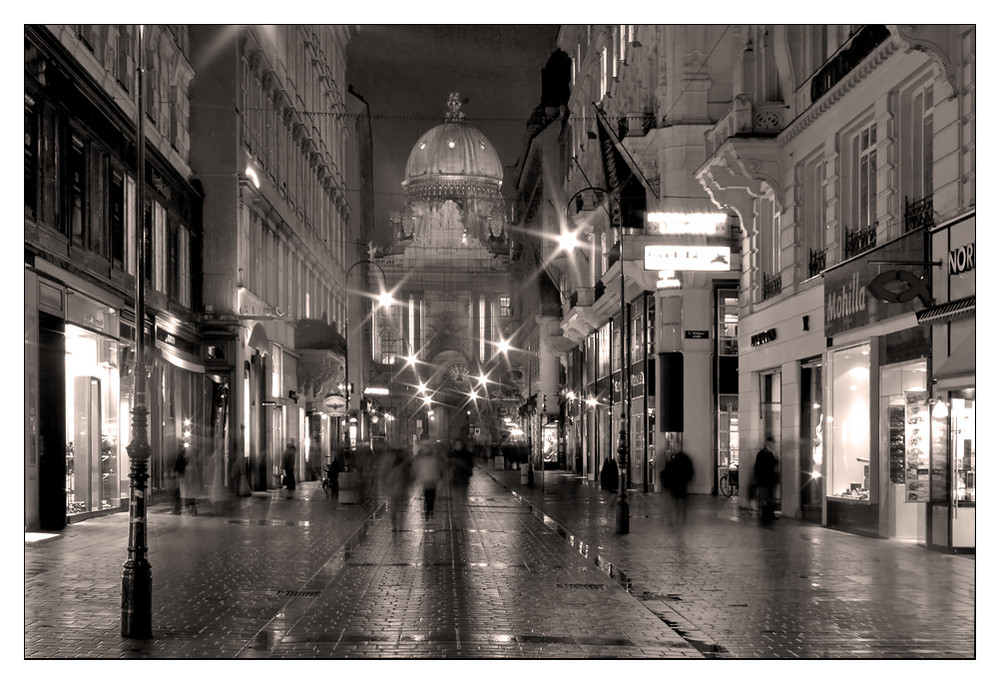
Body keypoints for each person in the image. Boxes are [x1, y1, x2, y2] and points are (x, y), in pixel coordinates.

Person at [413, 438, 444, 520]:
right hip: (426, 479)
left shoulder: (434, 457)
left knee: (432, 495)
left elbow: (439, 466)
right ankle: (428, 510)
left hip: (433, 479)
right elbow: (417, 467)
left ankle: (430, 509)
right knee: (427, 495)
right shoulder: (421, 458)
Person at [661, 450, 694, 522]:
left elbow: (666, 473)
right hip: (680, 484)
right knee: (680, 500)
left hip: (675, 484)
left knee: (674, 500)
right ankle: (681, 515)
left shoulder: (672, 462)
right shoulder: (685, 459)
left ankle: (674, 515)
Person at [753, 437, 779, 522]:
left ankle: (771, 513)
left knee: (771, 497)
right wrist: (759, 479)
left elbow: (775, 464)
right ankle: (765, 514)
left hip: (771, 479)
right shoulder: (762, 453)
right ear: (768, 443)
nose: (774, 445)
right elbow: (758, 468)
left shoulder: (773, 453)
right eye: (772, 443)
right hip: (764, 479)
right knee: (765, 497)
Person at [448, 438, 475, 502]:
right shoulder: (451, 454)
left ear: (462, 445)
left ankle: (462, 508)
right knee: (456, 497)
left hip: (464, 478)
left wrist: (463, 464)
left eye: (460, 444)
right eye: (456, 444)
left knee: (463, 497)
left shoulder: (467, 454)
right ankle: (458, 509)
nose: (458, 446)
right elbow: (448, 465)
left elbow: (471, 465)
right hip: (455, 479)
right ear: (454, 445)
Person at [172, 446, 196, 515]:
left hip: (183, 475)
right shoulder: (189, 465)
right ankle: (190, 508)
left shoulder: (183, 455)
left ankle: (180, 508)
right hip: (183, 475)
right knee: (186, 492)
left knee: (185, 491)